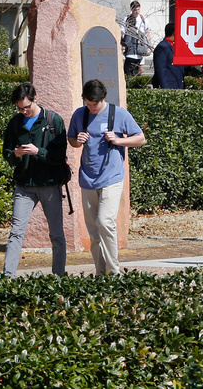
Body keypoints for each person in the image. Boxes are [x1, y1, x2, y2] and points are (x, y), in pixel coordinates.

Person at [67, 80, 146, 275]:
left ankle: (114, 271)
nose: (92, 108)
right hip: (87, 178)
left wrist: (118, 140)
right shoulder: (80, 114)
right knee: (94, 230)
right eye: (88, 103)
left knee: (105, 221)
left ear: (104, 98)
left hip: (112, 176)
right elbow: (71, 140)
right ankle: (101, 273)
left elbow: (140, 138)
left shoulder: (118, 114)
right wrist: (77, 141)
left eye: (95, 104)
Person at [1, 82, 68, 278]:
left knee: (56, 234)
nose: (24, 111)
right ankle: (8, 277)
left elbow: (60, 156)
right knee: (16, 232)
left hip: (49, 184)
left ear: (35, 99)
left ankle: (59, 276)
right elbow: (6, 154)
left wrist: (39, 152)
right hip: (24, 185)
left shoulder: (54, 121)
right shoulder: (15, 122)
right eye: (20, 108)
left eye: (27, 107)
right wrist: (16, 154)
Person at [151, 22, 185, 89]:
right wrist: (164, 87)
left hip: (177, 83)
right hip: (169, 84)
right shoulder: (163, 47)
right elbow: (160, 69)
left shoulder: (174, 46)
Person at [122, 1, 150, 77]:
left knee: (140, 70)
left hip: (140, 49)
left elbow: (147, 33)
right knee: (128, 72)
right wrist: (123, 46)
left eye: (138, 9)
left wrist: (148, 45)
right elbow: (123, 34)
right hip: (130, 50)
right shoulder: (127, 19)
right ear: (131, 9)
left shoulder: (143, 19)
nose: (137, 12)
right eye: (135, 10)